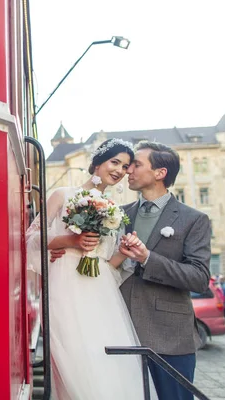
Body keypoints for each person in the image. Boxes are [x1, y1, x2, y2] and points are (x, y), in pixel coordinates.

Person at [26, 138, 157, 399]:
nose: (119, 170)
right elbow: (31, 237)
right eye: (115, 162)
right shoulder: (62, 195)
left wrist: (125, 251)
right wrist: (69, 241)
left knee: (103, 355)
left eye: (126, 166)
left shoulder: (114, 212)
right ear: (97, 163)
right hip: (66, 284)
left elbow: (106, 262)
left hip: (99, 291)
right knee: (72, 356)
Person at [116, 141, 211, 400]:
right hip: (118, 330)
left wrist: (148, 258)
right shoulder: (116, 215)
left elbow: (200, 278)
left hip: (169, 336)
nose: (128, 170)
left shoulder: (194, 219)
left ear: (160, 173)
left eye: (136, 164)